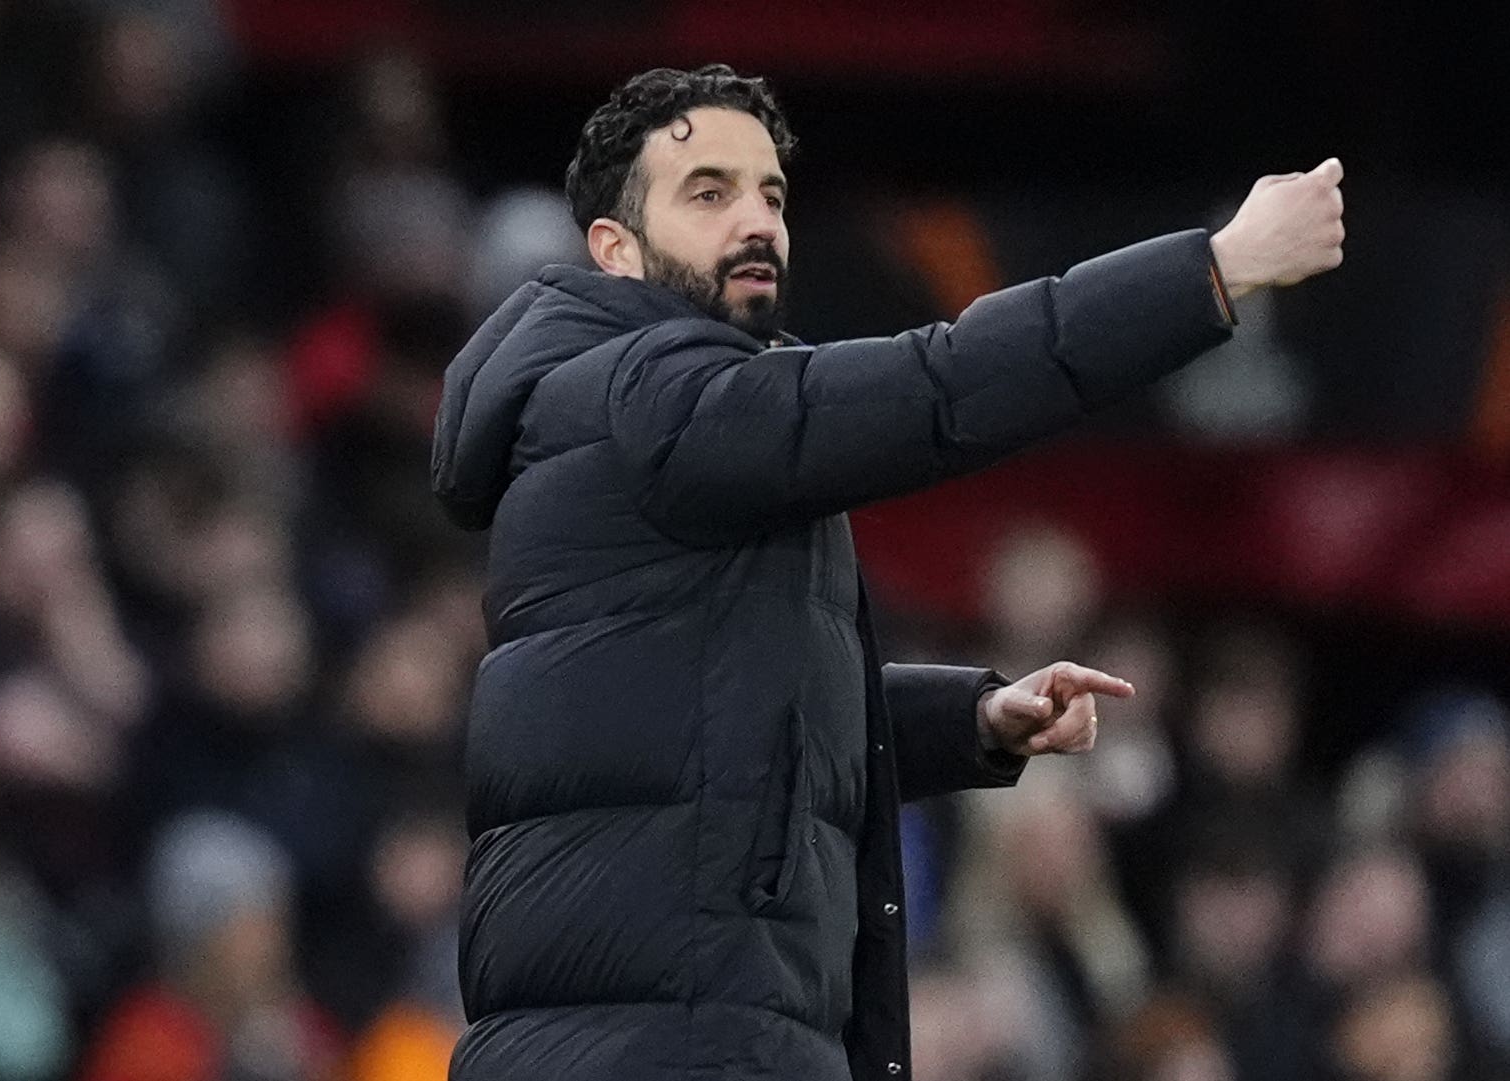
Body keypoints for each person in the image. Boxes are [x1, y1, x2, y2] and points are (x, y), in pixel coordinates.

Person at [430, 64, 1344, 1081]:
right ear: (614, 249)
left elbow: (733, 726)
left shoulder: (635, 430)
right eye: (708, 193)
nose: (757, 222)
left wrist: (969, 720)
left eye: (770, 193)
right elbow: (942, 383)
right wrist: (1213, 271)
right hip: (672, 1042)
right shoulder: (645, 395)